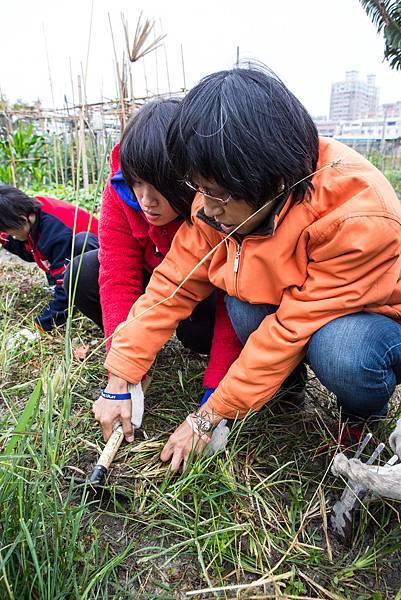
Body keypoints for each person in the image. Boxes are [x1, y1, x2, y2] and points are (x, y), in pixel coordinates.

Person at [95, 64, 401, 472]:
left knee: (343, 350)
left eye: (219, 195)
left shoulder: (357, 216)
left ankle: (362, 416)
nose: (206, 206)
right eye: (199, 189)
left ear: (274, 184)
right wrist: (121, 375)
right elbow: (173, 284)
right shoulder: (219, 194)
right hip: (302, 304)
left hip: (376, 320)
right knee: (242, 303)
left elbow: (290, 328)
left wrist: (208, 416)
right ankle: (284, 390)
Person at [66, 99, 242, 437]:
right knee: (83, 273)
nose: (146, 199)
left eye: (158, 185)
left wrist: (214, 400)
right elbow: (118, 279)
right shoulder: (119, 192)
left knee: (208, 324)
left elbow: (230, 298)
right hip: (157, 286)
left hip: (202, 289)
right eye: (136, 183)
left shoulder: (214, 207)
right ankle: (147, 355)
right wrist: (124, 373)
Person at [0, 185, 98, 331]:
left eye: (10, 230)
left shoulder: (54, 232)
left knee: (76, 255)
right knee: (16, 241)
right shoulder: (32, 213)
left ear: (21, 220)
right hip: (63, 252)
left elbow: (65, 291)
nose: (11, 235)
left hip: (98, 259)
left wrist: (42, 325)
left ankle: (88, 297)